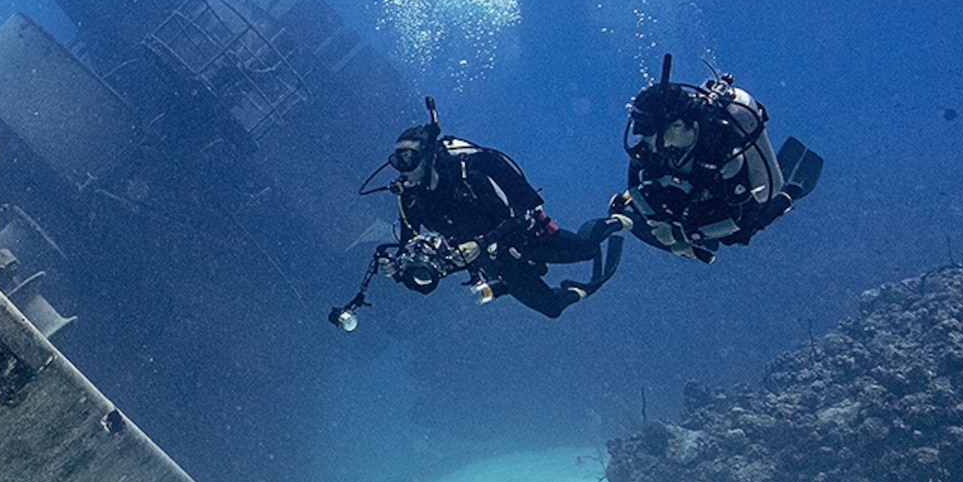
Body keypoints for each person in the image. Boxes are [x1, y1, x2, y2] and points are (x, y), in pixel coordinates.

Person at [331, 99, 624, 326]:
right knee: (551, 309)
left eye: (409, 158)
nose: (402, 167)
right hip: (495, 261)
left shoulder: (469, 176)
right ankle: (575, 290)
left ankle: (616, 219)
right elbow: (412, 252)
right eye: (397, 159)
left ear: (430, 155)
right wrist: (397, 268)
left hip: (526, 236)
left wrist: (482, 242)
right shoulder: (410, 199)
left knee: (586, 250)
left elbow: (521, 215)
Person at [609, 54, 823, 261]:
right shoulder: (652, 146)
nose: (644, 143)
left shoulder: (720, 146)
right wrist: (658, 222)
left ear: (676, 127)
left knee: (742, 231)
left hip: (728, 194)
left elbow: (739, 218)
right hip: (693, 189)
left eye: (649, 135)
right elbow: (635, 184)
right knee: (634, 203)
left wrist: (680, 236)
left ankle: (789, 193)